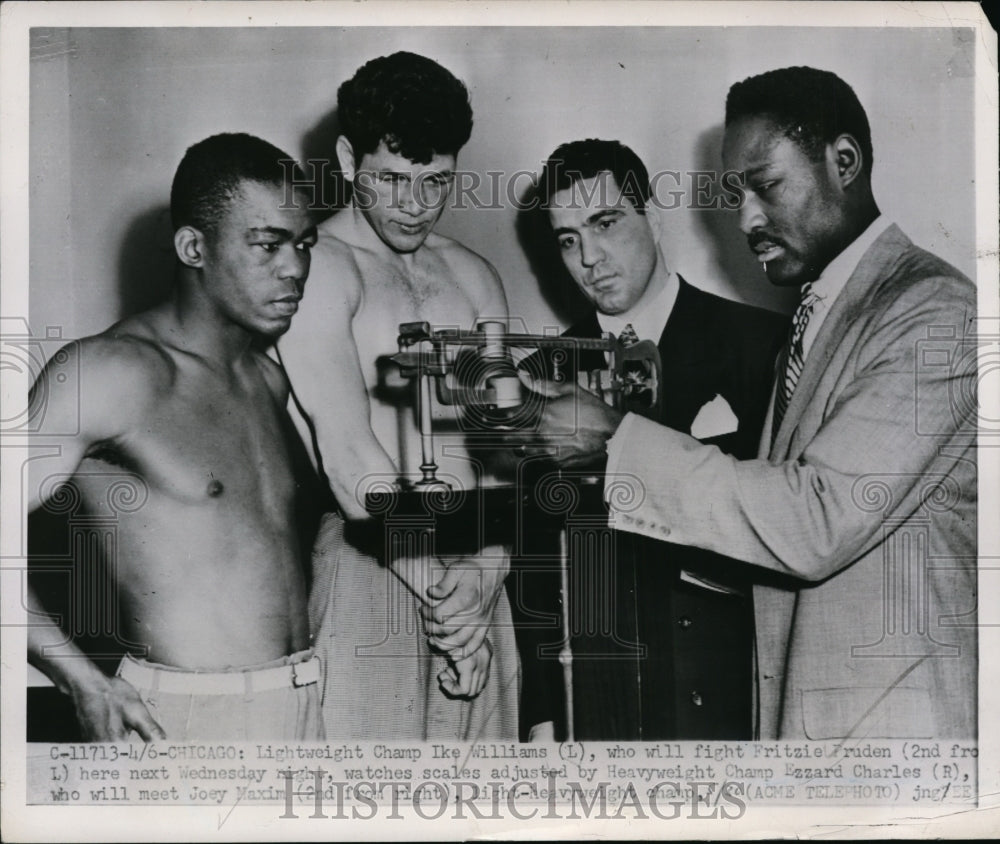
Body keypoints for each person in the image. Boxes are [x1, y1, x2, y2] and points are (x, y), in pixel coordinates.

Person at [516, 67, 978, 740]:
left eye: (767, 186)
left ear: (843, 162)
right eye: (738, 194)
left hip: (893, 732)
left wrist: (616, 443)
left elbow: (815, 519)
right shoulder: (821, 315)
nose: (746, 219)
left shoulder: (936, 311)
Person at [26, 133, 324, 741]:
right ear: (194, 246)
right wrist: (78, 678)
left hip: (303, 702)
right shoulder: (111, 371)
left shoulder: (268, 377)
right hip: (183, 719)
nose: (294, 267)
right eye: (267, 244)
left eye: (302, 243)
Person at [277, 51, 519, 739]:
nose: (415, 205)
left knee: (489, 808)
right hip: (374, 567)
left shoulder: (474, 277)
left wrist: (485, 578)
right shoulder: (318, 269)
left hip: (478, 575)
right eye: (392, 180)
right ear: (350, 159)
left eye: (436, 181)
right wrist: (452, 607)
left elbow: (507, 449)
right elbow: (351, 458)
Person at [513, 139, 787, 740]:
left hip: (722, 695)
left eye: (605, 223)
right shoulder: (541, 372)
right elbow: (532, 561)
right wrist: (540, 713)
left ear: (653, 217)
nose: (589, 257)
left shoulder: (760, 344)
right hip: (592, 695)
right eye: (567, 239)